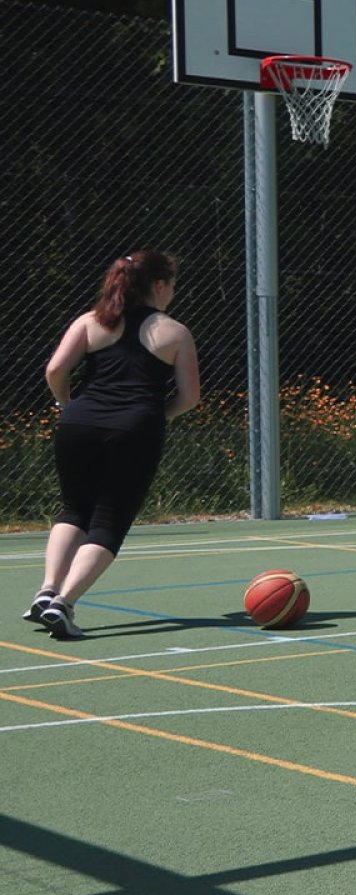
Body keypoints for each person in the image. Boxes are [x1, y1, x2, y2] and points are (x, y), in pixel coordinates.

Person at [27, 251, 202, 639]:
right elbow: (189, 398)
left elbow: (55, 370)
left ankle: (47, 590)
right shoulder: (173, 332)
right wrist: (153, 416)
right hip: (134, 430)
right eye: (172, 284)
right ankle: (64, 603)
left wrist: (67, 404)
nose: (174, 291)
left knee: (73, 509)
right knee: (109, 521)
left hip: (78, 425)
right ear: (158, 286)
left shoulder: (90, 322)